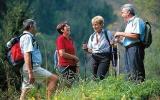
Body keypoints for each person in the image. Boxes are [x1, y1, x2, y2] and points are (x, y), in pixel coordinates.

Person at [19, 19, 58, 100]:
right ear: (30, 26)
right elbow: (27, 54)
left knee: (26, 90)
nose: (36, 28)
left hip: (27, 67)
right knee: (54, 79)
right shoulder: (27, 37)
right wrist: (30, 72)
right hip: (33, 67)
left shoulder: (25, 37)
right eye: (35, 26)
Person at [114, 4, 145, 82]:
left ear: (128, 12)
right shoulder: (129, 23)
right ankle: (133, 88)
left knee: (136, 69)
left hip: (135, 48)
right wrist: (119, 41)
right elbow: (128, 41)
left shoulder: (136, 20)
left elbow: (135, 36)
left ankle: (139, 88)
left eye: (122, 12)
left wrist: (120, 33)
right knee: (130, 70)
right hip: (129, 48)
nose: (121, 14)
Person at [83, 15, 114, 80]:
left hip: (105, 57)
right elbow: (90, 50)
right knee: (94, 77)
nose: (94, 27)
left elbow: (113, 44)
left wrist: (113, 44)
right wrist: (86, 49)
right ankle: (97, 90)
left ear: (101, 24)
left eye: (96, 25)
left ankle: (101, 89)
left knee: (100, 77)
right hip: (94, 57)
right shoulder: (92, 36)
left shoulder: (107, 33)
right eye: (93, 25)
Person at [56, 21, 79, 87]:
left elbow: (73, 53)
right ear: (62, 30)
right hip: (65, 66)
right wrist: (74, 57)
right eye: (66, 26)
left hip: (72, 66)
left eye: (68, 25)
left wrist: (77, 65)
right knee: (65, 85)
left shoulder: (70, 39)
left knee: (69, 86)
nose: (68, 26)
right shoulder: (60, 39)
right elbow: (62, 53)